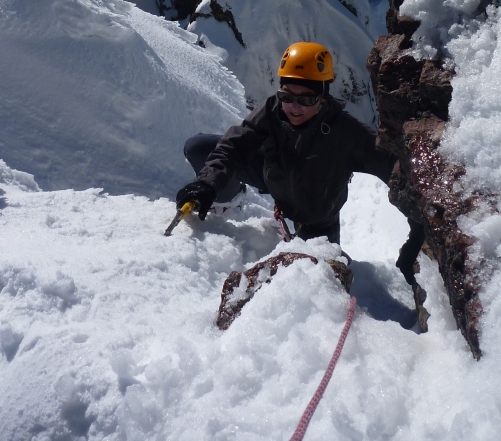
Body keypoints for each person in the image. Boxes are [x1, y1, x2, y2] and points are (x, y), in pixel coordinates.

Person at [176, 41, 424, 280]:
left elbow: (398, 171)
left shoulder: (345, 133)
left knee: (321, 271)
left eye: (306, 99)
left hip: (315, 214)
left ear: (323, 96)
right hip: (274, 175)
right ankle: (228, 198)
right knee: (199, 148)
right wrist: (207, 184)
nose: (294, 107)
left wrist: (419, 235)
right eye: (287, 96)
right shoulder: (273, 109)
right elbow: (235, 145)